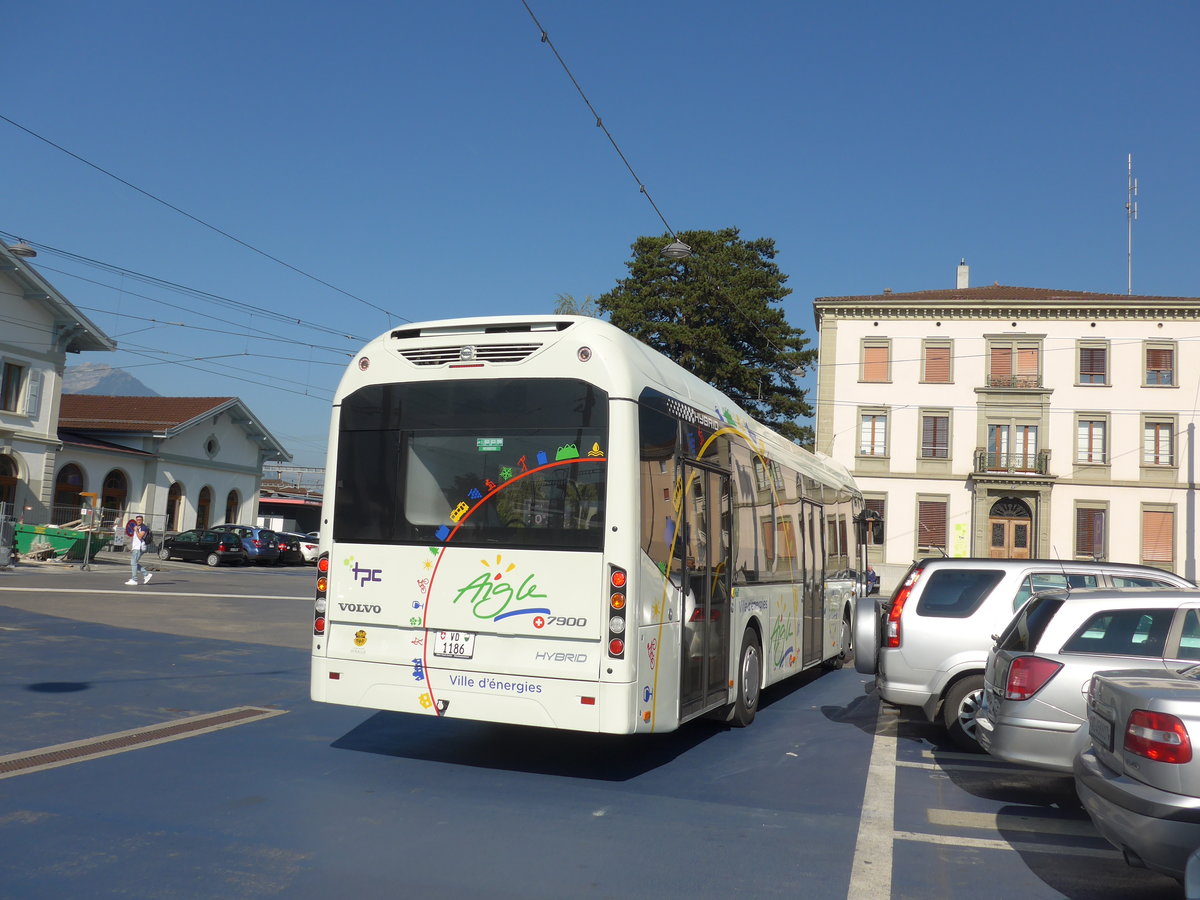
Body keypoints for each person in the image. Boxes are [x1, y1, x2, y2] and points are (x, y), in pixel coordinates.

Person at [126, 515, 153, 586]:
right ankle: (146, 574)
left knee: (133, 563)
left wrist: (136, 530)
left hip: (139, 548)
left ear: (142, 520)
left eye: (140, 519)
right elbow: (135, 538)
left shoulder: (144, 527)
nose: (139, 521)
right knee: (134, 563)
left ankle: (134, 579)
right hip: (136, 547)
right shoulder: (137, 527)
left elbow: (140, 536)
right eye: (137, 519)